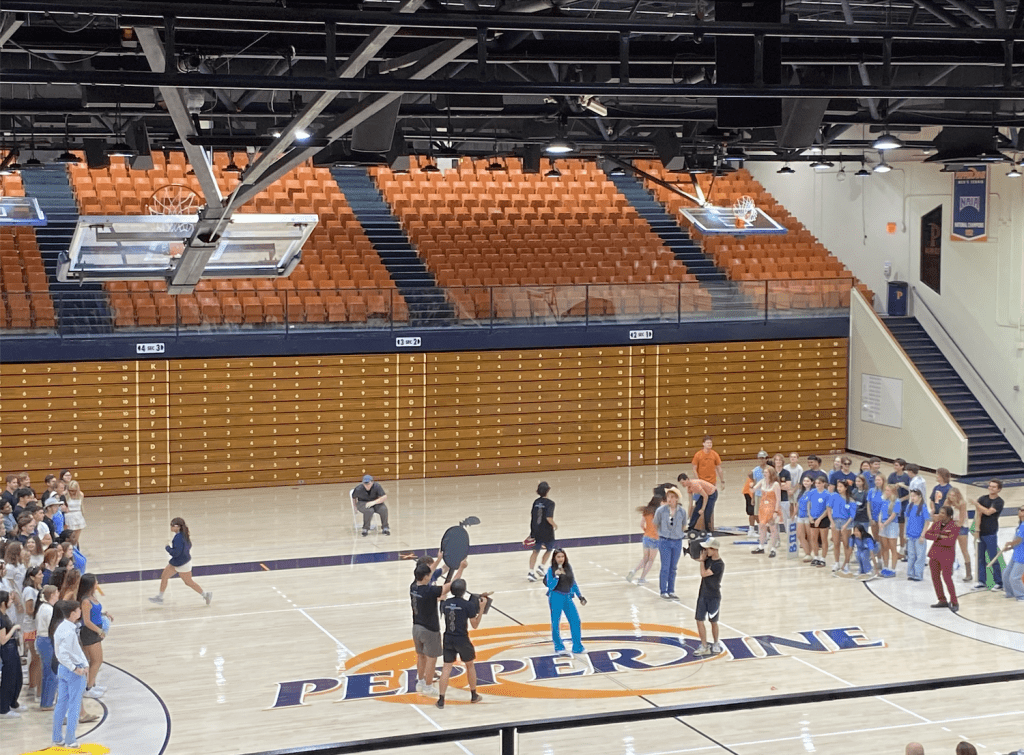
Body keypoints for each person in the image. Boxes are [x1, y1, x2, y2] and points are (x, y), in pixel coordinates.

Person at [410, 552, 465, 696]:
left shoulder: (413, 586)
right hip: (430, 629)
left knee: (420, 656)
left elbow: (430, 572)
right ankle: (428, 686)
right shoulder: (430, 590)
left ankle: (420, 682)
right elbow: (452, 585)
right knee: (431, 659)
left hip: (416, 627)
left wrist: (439, 558)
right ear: (427, 577)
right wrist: (461, 569)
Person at [435, 578, 486, 709]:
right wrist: (481, 609)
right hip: (462, 638)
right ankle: (474, 695)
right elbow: (474, 625)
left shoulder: (445, 604)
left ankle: (441, 699)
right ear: (464, 591)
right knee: (470, 665)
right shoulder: (467, 605)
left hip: (448, 638)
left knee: (446, 668)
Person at [149, 518, 212, 605]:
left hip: (181, 564)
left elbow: (175, 553)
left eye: (171, 525)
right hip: (181, 562)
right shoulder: (184, 534)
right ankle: (160, 597)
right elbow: (189, 546)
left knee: (188, 582)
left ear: (177, 527)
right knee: (165, 576)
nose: (170, 527)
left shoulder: (178, 537)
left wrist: (167, 547)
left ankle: (205, 595)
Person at [52, 599, 88, 749]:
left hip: (63, 669)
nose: (81, 612)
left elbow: (71, 651)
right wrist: (76, 668)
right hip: (72, 671)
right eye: (79, 610)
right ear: (73, 613)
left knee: (62, 703)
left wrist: (84, 663)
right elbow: (64, 654)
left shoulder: (62, 627)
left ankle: (57, 737)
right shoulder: (68, 632)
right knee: (74, 705)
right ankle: (70, 739)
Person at [545, 549, 587, 658]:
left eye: (562, 557)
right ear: (554, 558)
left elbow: (573, 582)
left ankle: (577, 646)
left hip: (567, 597)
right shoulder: (551, 570)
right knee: (555, 622)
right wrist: (557, 576)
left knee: (576, 620)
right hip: (555, 597)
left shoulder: (568, 568)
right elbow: (550, 586)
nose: (560, 559)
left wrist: (580, 596)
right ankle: (559, 647)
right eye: (558, 557)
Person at [78, 573, 112, 698]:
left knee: (92, 661)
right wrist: (99, 631)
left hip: (94, 631)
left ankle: (92, 684)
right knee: (97, 660)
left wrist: (104, 614)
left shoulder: (91, 597)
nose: (97, 584)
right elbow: (86, 621)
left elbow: (95, 613)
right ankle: (88, 688)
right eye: (96, 582)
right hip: (90, 632)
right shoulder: (85, 601)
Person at [653, 487, 686, 599]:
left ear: (676, 498)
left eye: (672, 497)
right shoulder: (661, 511)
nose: (669, 499)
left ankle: (671, 590)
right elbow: (655, 523)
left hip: (677, 541)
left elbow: (684, 525)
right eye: (668, 497)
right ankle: (663, 591)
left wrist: (678, 533)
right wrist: (662, 534)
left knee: (673, 567)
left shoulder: (682, 511)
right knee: (665, 567)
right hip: (665, 541)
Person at [694, 537, 725, 657]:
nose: (706, 550)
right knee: (699, 619)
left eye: (708, 548)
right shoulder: (707, 559)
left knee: (713, 621)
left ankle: (716, 642)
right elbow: (697, 558)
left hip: (714, 596)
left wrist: (702, 561)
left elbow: (704, 574)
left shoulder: (719, 564)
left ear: (714, 549)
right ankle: (704, 645)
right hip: (703, 594)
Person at [926, 505, 960, 612]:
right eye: (939, 512)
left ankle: (954, 601)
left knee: (947, 578)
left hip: (947, 556)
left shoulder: (954, 526)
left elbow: (949, 542)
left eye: (943, 513)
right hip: (935, 554)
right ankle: (942, 600)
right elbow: (927, 535)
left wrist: (936, 536)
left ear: (949, 516)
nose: (940, 514)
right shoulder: (937, 524)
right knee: (935, 578)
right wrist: (940, 536)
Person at [974, 479, 1004, 590]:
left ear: (999, 489)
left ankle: (999, 582)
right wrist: (977, 529)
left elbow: (988, 512)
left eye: (994, 487)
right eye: (990, 486)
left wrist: (976, 504)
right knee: (981, 558)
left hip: (991, 532)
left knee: (993, 557)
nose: (991, 488)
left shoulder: (999, 502)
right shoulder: (983, 498)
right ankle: (982, 581)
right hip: (981, 532)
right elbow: (979, 514)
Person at [34, 584, 59, 711]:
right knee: (51, 673)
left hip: (43, 640)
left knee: (49, 673)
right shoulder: (48, 610)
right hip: (46, 641)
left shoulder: (45, 607)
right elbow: (52, 628)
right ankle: (47, 703)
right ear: (52, 595)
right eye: (57, 592)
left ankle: (46, 701)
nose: (58, 594)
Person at [0, 590, 24, 718]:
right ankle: (3, 709)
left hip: (13, 648)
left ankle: (13, 702)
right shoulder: (0, 618)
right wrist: (14, 628)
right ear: (3, 603)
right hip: (7, 650)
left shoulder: (4, 615)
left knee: (17, 677)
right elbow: (3, 640)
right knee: (8, 679)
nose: (11, 602)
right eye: (9, 600)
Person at [691, 436, 724, 528]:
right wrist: (698, 481)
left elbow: (719, 468)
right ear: (703, 444)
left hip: (711, 484)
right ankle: (695, 525)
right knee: (699, 504)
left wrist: (722, 481)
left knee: (710, 506)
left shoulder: (714, 454)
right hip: (701, 483)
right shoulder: (698, 455)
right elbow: (694, 468)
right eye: (707, 443)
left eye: (710, 443)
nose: (709, 444)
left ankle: (708, 526)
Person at [527, 482, 557, 581]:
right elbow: (549, 518)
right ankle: (541, 566)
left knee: (535, 551)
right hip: (546, 531)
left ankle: (531, 572)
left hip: (536, 529)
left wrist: (532, 531)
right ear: (548, 490)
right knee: (549, 549)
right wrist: (554, 525)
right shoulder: (550, 503)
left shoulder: (535, 502)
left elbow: (533, 516)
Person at [626, 497, 660, 585]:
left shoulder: (646, 512)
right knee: (651, 560)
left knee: (645, 558)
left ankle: (634, 570)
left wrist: (646, 531)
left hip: (646, 537)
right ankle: (642, 578)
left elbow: (641, 525)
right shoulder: (658, 513)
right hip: (655, 538)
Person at [752, 467, 782, 557]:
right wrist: (750, 485)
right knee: (761, 526)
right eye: (764, 472)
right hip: (763, 507)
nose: (764, 474)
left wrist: (776, 511)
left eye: (766, 472)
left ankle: (773, 548)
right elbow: (753, 489)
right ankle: (761, 546)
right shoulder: (762, 481)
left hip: (772, 508)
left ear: (771, 474)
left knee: (773, 528)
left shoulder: (776, 484)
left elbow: (778, 499)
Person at [946, 487, 973, 583]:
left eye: (953, 495)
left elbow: (961, 521)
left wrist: (952, 523)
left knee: (964, 550)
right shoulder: (947, 502)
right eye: (950, 495)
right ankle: (949, 570)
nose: (951, 497)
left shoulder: (962, 503)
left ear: (957, 495)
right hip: (951, 527)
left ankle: (969, 573)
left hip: (961, 528)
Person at [829, 478, 856, 573]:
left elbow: (852, 515)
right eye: (838, 486)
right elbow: (828, 508)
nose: (839, 488)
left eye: (841, 486)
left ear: (845, 488)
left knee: (846, 544)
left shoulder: (851, 500)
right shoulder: (834, 496)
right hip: (836, 521)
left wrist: (846, 525)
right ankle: (837, 562)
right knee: (836, 543)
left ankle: (846, 563)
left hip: (846, 523)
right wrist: (832, 522)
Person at [905, 489, 931, 582]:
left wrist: (922, 535)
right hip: (910, 535)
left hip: (919, 536)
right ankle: (911, 573)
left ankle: (918, 574)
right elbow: (907, 520)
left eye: (914, 496)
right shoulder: (909, 506)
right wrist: (906, 533)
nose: (912, 498)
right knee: (911, 555)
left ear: (919, 496)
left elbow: (927, 522)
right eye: (911, 496)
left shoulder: (923, 507)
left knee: (920, 556)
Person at [877, 481, 901, 578]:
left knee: (893, 548)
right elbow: (881, 513)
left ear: (893, 492)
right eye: (886, 490)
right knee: (884, 547)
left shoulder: (897, 501)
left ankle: (893, 569)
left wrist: (885, 523)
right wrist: (879, 522)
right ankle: (885, 567)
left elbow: (893, 515)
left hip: (892, 526)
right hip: (883, 525)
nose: (886, 492)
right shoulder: (884, 500)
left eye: (888, 490)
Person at [888, 458, 911, 555]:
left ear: (902, 466)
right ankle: (893, 549)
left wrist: (901, 499)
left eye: (897, 465)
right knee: (892, 526)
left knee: (902, 528)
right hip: (893, 502)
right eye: (894, 465)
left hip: (903, 503)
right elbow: (888, 488)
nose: (895, 467)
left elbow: (911, 492)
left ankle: (902, 547)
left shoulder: (907, 477)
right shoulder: (892, 476)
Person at [1001, 505, 1024, 601]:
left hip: (1022, 557)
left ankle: (1021, 595)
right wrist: (1010, 548)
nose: (1019, 511)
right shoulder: (1020, 525)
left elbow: (1019, 540)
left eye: (1022, 510)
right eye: (1019, 509)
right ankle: (1010, 593)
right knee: (1006, 574)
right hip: (1016, 555)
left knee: (1014, 577)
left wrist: (1010, 543)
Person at [808, 476, 832, 567]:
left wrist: (820, 519)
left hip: (823, 519)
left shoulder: (827, 494)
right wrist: (810, 516)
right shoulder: (812, 492)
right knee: (813, 538)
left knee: (823, 539)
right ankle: (816, 556)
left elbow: (827, 509)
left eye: (819, 483)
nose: (817, 485)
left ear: (824, 484)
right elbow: (809, 504)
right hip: (813, 517)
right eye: (816, 483)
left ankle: (823, 558)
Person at [63, 481, 86, 548]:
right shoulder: (66, 495)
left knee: (76, 538)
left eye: (74, 490)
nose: (72, 492)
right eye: (70, 490)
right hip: (69, 516)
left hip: (78, 516)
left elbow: (81, 505)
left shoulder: (81, 495)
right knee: (69, 536)